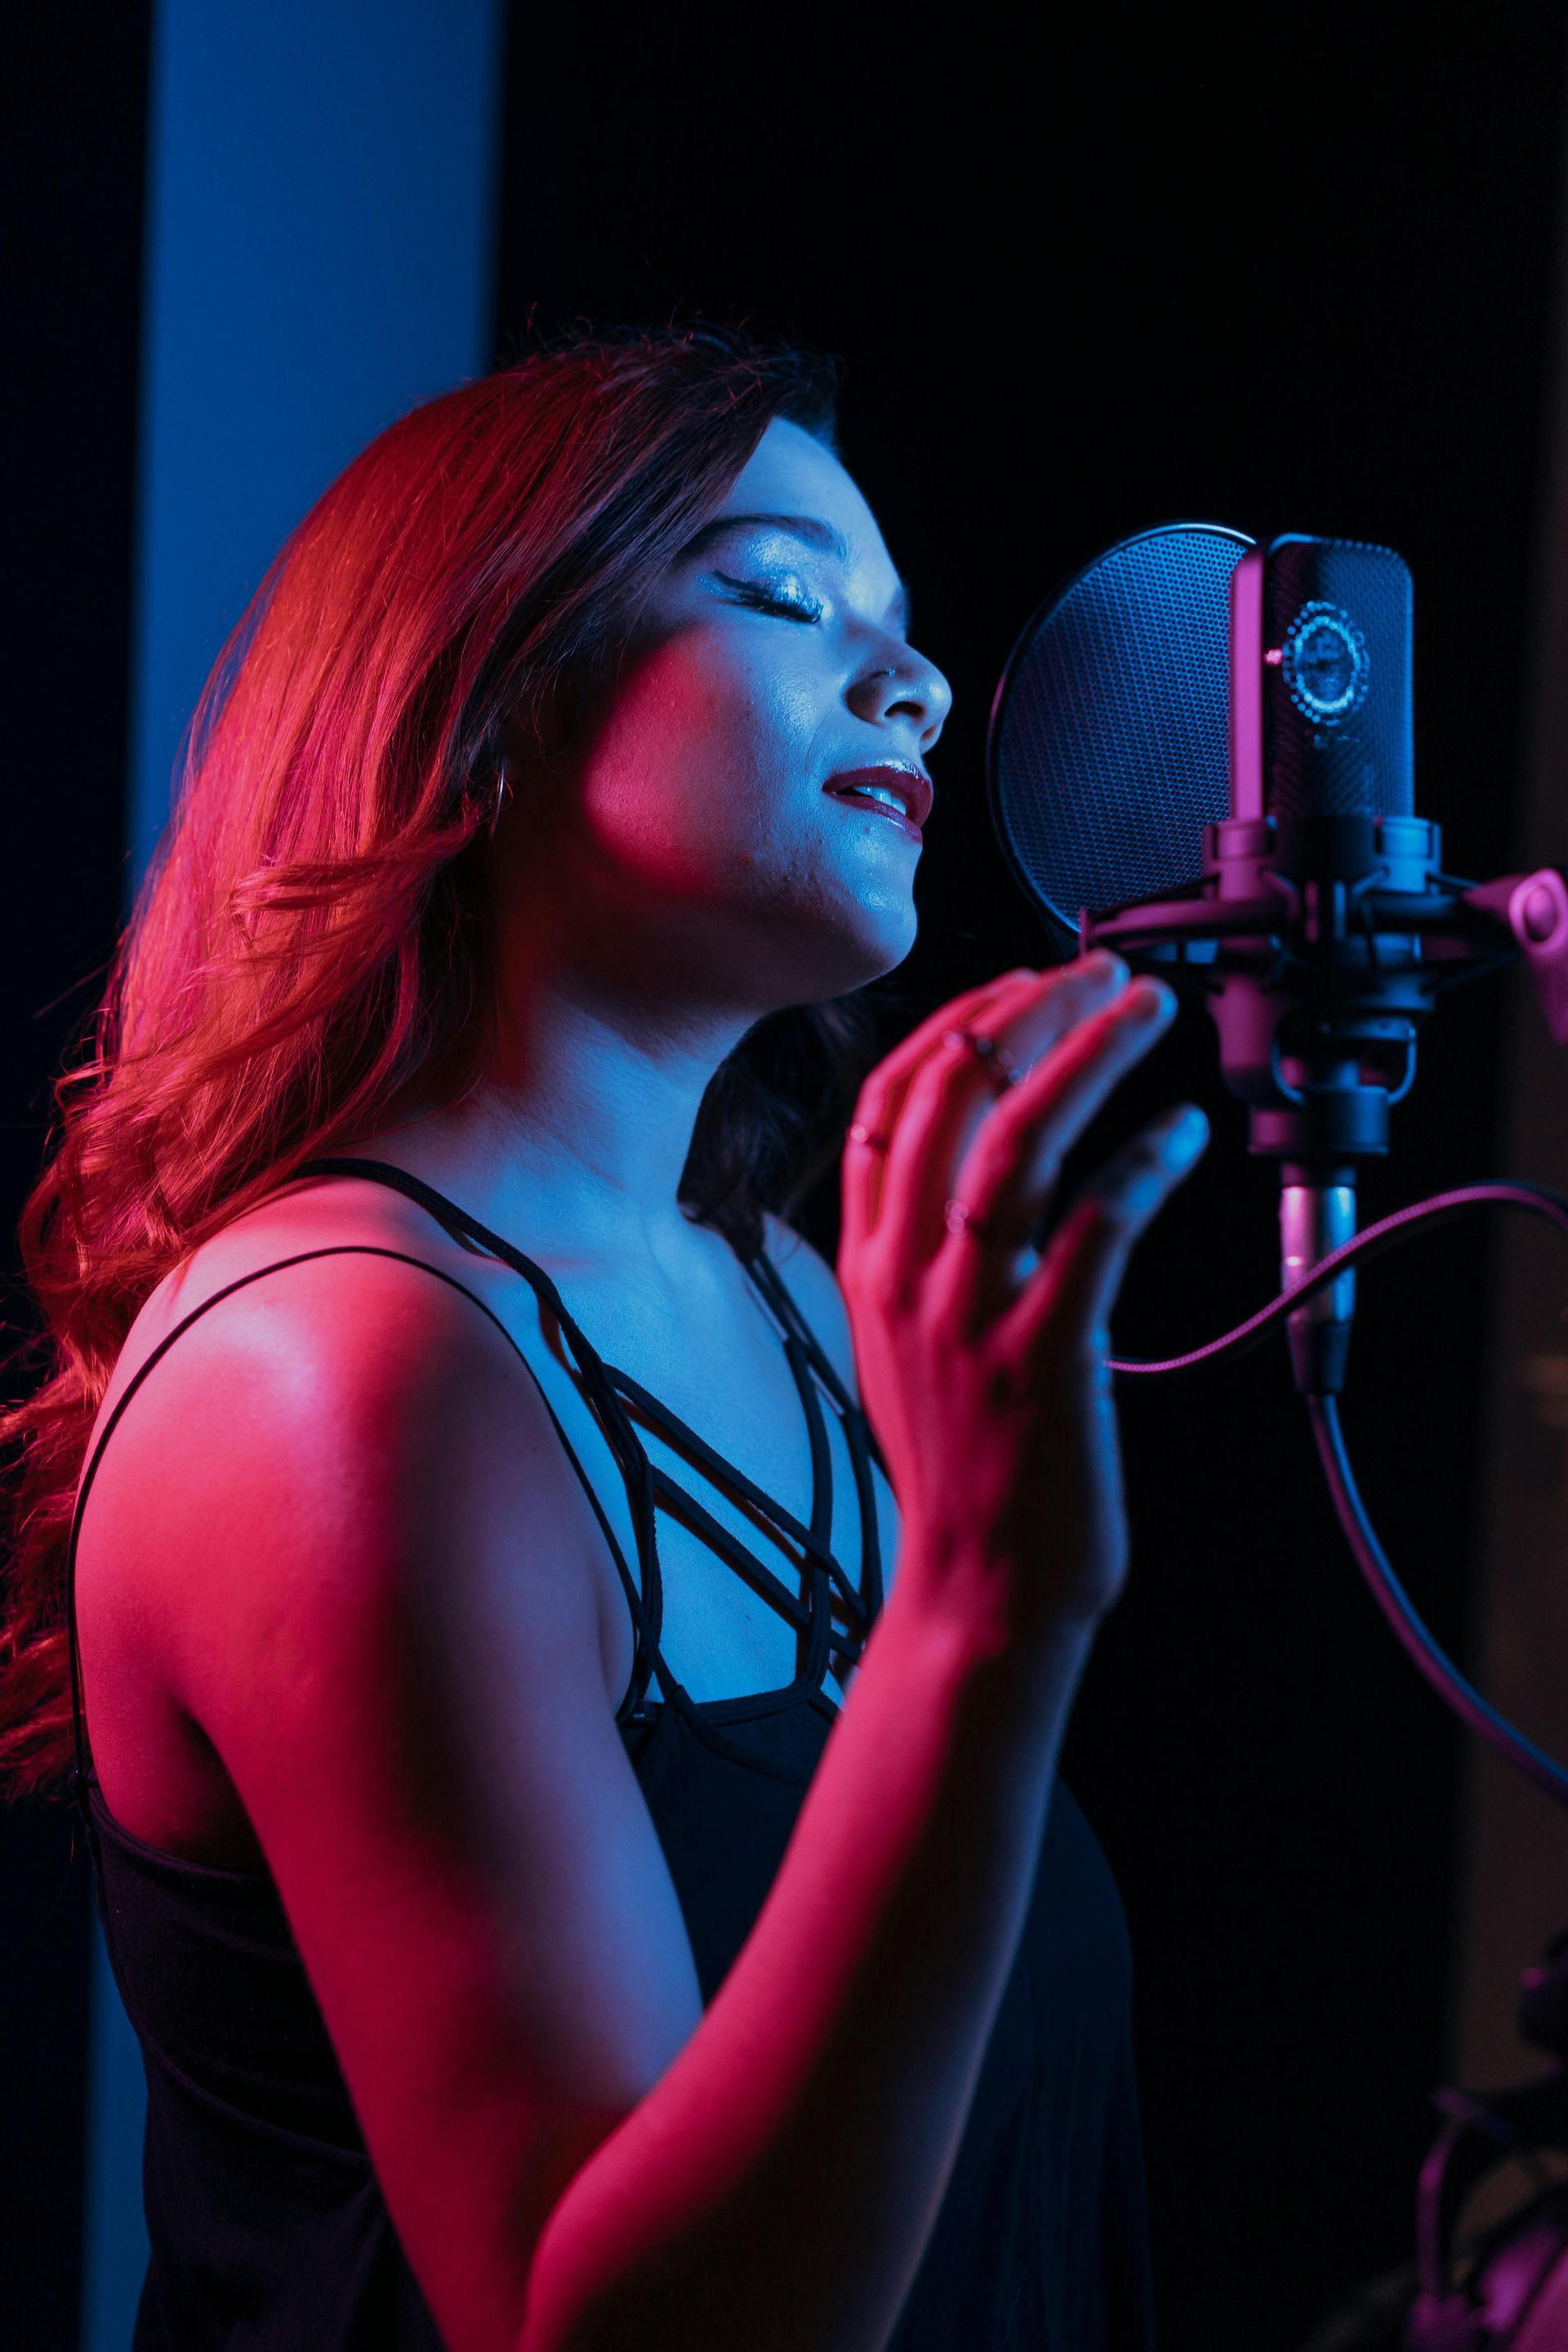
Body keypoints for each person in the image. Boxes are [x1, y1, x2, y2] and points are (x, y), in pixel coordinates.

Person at [0, 327, 1207, 2351]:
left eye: (904, 624)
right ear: (489, 688)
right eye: (773, 591)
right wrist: (983, 1623)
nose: (908, 679)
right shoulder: (343, 1378)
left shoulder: (804, 1313)